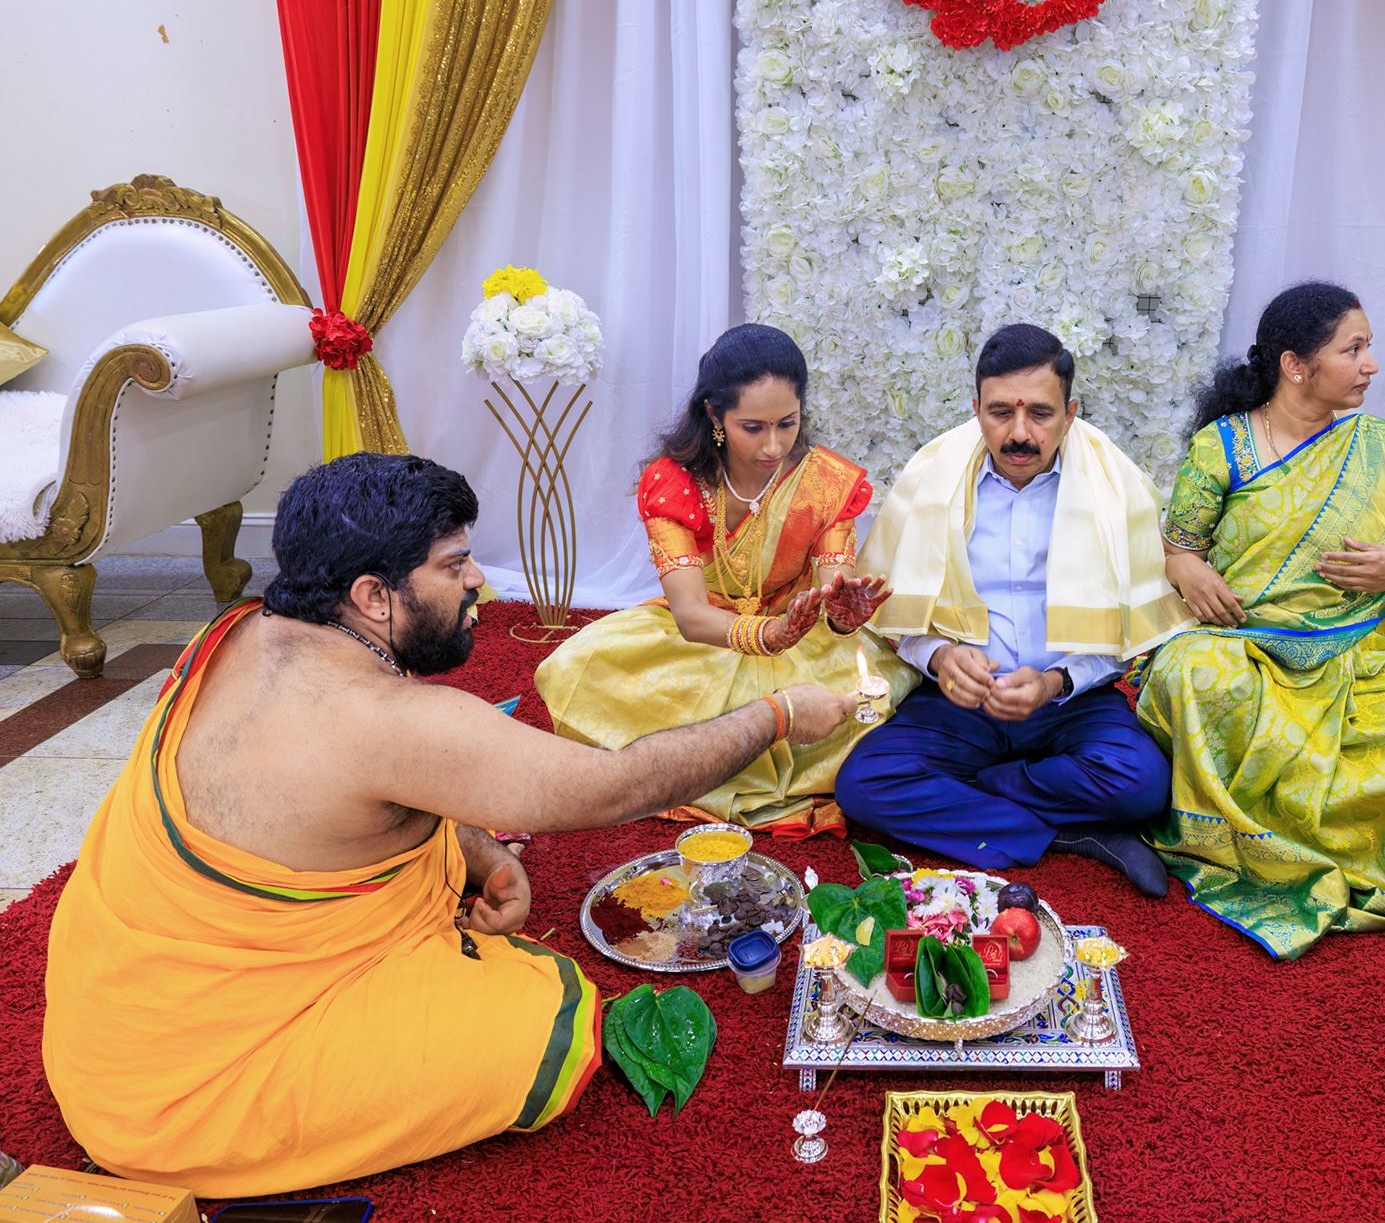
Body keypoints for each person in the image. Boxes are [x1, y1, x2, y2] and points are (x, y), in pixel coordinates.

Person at [41, 453, 855, 1197]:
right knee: (542, 1022)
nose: (479, 584)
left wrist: (470, 847)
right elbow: (612, 787)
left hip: (108, 1023)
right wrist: (777, 714)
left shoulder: (238, 633)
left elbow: (337, 795)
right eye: (453, 565)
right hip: (189, 1089)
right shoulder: (385, 719)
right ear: (373, 596)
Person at [1136, 281, 1385, 959]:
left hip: (1357, 653)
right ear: (1295, 365)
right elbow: (1176, 544)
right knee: (1192, 677)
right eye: (1353, 349)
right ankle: (1254, 844)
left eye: (1368, 348)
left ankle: (1307, 846)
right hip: (1242, 647)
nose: (1371, 365)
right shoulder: (1224, 447)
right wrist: (1185, 566)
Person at [836, 323, 1193, 895]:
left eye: (1041, 414)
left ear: (1070, 414)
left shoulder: (1114, 489)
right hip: (961, 705)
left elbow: (1130, 632)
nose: (1020, 433)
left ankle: (972, 794)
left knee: (1144, 783)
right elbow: (896, 618)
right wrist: (941, 658)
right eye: (1001, 412)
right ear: (976, 409)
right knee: (863, 785)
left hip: (1071, 704)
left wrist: (1056, 682)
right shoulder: (932, 482)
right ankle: (1070, 834)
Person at [534, 324, 917, 836]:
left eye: (787, 424)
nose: (773, 445)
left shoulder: (826, 483)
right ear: (714, 414)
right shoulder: (675, 483)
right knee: (574, 668)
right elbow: (691, 615)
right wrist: (765, 634)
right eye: (752, 427)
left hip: (800, 634)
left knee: (873, 699)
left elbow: (834, 586)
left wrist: (842, 617)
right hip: (707, 635)